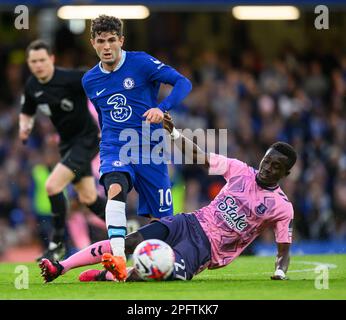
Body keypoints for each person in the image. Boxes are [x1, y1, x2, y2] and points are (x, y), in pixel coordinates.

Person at [39, 113, 296, 283]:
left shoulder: (281, 207)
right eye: (267, 160)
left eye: (276, 167)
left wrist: (279, 272)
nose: (267, 167)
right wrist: (173, 134)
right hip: (188, 222)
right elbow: (199, 157)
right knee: (129, 242)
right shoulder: (240, 170)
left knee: (156, 272)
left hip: (206, 249)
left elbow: (283, 248)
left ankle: (106, 277)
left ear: (286, 173)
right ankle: (60, 267)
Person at [81, 15, 192, 280]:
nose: (107, 46)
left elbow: (183, 83)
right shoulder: (90, 80)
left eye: (111, 40)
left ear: (121, 40)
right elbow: (104, 114)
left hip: (150, 148)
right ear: (93, 43)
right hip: (115, 146)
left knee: (163, 223)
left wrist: (161, 108)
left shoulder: (141, 62)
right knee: (115, 187)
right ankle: (118, 258)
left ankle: (138, 268)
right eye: (100, 41)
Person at [19, 40, 107, 261]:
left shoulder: (70, 79)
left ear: (51, 59)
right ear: (29, 64)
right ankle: (126, 229)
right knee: (88, 197)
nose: (38, 65)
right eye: (33, 61)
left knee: (52, 185)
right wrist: (24, 127)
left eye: (42, 60)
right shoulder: (33, 86)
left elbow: (97, 81)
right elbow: (27, 110)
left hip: (87, 140)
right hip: (67, 144)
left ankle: (57, 244)